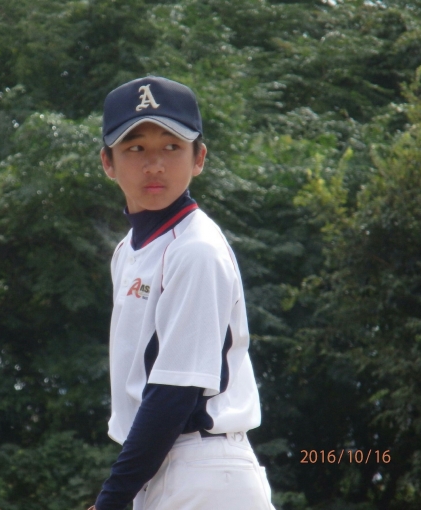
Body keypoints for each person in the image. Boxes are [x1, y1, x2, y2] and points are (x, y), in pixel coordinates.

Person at [88, 76, 275, 510]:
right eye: (135, 147)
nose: (154, 164)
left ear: (199, 158)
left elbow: (174, 396)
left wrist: (110, 500)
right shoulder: (127, 250)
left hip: (203, 469)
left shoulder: (195, 249)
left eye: (172, 146)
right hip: (168, 469)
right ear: (108, 162)